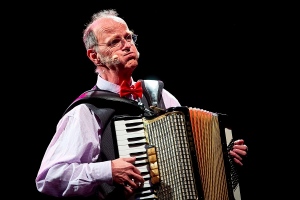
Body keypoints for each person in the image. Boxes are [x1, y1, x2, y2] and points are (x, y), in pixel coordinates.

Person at [35, 9, 248, 199]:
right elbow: (49, 177)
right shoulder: (86, 111)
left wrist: (222, 155)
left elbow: (189, 157)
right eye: (115, 41)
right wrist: (108, 171)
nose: (127, 45)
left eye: (129, 37)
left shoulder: (159, 95)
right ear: (94, 56)